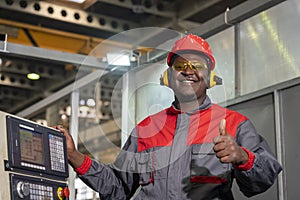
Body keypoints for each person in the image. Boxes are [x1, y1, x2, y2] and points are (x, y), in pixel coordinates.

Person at [56, 34, 282, 200]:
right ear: (169, 77)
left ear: (210, 76)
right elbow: (117, 187)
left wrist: (243, 157)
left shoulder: (234, 124)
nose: (188, 70)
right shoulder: (146, 128)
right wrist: (74, 156)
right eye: (180, 65)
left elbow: (263, 180)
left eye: (197, 65)